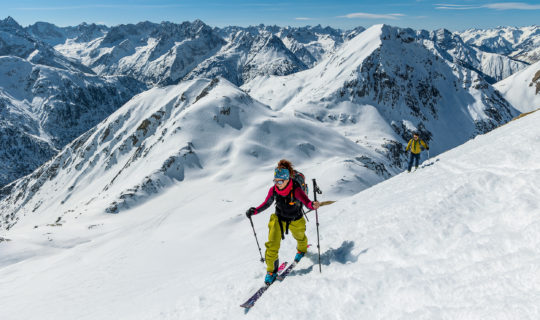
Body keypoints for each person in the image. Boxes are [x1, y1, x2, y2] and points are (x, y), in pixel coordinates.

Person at [246, 159, 320, 284]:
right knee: (271, 245)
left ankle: (302, 250)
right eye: (275, 181)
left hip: (296, 218)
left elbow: (307, 202)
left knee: (300, 236)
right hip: (278, 219)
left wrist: (313, 205)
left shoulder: (296, 188)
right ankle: (271, 271)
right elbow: (267, 203)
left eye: (280, 181)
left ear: (287, 179)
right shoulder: (274, 190)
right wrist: (254, 211)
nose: (277, 183)